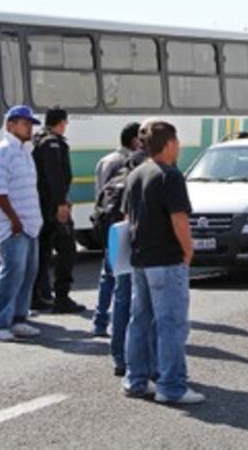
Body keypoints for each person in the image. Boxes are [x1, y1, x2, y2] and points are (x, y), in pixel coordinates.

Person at [121, 121, 204, 405]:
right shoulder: (171, 175)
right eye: (177, 142)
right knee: (172, 325)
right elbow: (179, 219)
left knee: (140, 321)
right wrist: (188, 252)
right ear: (169, 144)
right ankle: (171, 386)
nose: (179, 147)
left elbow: (128, 219)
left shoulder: (136, 174)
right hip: (167, 260)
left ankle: (136, 379)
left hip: (141, 259)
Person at [0, 106, 45, 342]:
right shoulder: (2, 152)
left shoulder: (24, 152)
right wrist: (14, 220)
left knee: (28, 273)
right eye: (25, 123)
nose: (30, 128)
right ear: (10, 125)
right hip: (13, 226)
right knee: (11, 273)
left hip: (29, 224)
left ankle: (18, 318)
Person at [91, 121, 141, 340]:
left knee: (107, 275)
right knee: (122, 283)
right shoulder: (129, 163)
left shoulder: (106, 160)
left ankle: (99, 321)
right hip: (123, 225)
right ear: (134, 140)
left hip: (107, 224)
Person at [33, 107, 84, 314]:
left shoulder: (41, 140)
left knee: (43, 252)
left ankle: (37, 296)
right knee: (67, 250)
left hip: (45, 205)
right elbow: (55, 177)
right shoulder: (52, 144)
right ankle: (61, 296)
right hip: (52, 207)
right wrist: (61, 203)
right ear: (61, 122)